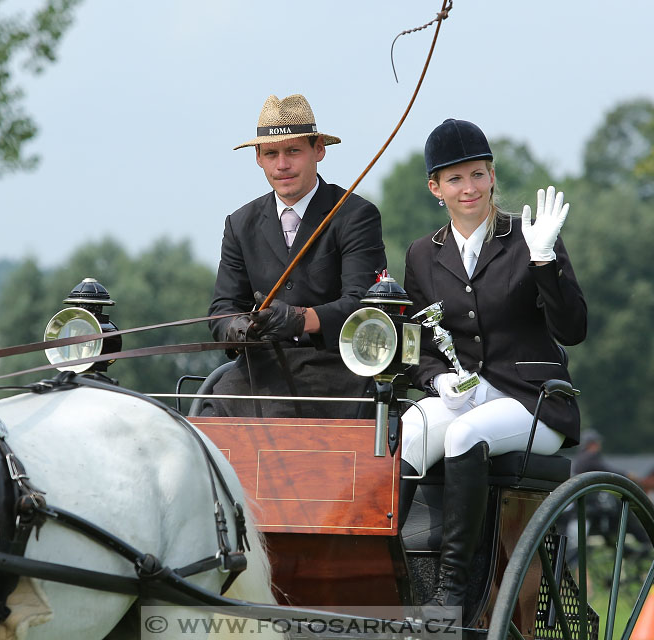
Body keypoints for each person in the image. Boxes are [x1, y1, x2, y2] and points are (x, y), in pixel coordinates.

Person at [398, 119, 586, 613]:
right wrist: (435, 379)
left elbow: (573, 330)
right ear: (435, 188)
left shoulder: (528, 237)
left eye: (478, 175)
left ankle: (453, 590)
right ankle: (395, 571)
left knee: (464, 438)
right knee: (410, 430)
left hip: (534, 402)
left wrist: (545, 259)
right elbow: (418, 345)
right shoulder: (422, 255)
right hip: (465, 397)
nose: (469, 189)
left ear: (492, 177)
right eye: (455, 179)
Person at [204, 94, 386, 418]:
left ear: (318, 150)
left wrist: (302, 319)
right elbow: (222, 308)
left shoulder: (356, 215)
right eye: (271, 153)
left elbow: (364, 304)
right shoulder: (239, 224)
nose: (282, 165)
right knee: (204, 421)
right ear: (258, 157)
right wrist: (236, 327)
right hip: (258, 372)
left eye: (293, 151)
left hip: (336, 373)